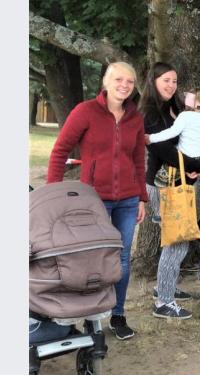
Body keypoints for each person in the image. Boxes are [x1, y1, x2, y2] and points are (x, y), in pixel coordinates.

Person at [47, 61, 147, 340]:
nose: (124, 85)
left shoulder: (135, 118)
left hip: (128, 200)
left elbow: (138, 159)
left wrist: (141, 196)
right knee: (93, 259)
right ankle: (93, 318)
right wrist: (54, 194)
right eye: (118, 79)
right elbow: (60, 151)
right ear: (106, 81)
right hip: (93, 200)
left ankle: (118, 315)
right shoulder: (85, 111)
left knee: (122, 259)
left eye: (129, 81)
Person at [139, 62, 200, 320]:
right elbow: (162, 150)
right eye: (165, 80)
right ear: (153, 81)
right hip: (162, 185)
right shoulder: (149, 111)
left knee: (176, 240)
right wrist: (196, 165)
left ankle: (164, 286)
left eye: (174, 81)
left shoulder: (176, 107)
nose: (171, 85)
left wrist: (193, 165)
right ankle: (164, 302)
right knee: (177, 242)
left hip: (178, 181)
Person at [145, 90, 200, 203]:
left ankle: (163, 206)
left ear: (187, 103)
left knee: (159, 180)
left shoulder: (184, 116)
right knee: (186, 187)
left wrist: (151, 138)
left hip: (186, 158)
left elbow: (171, 132)